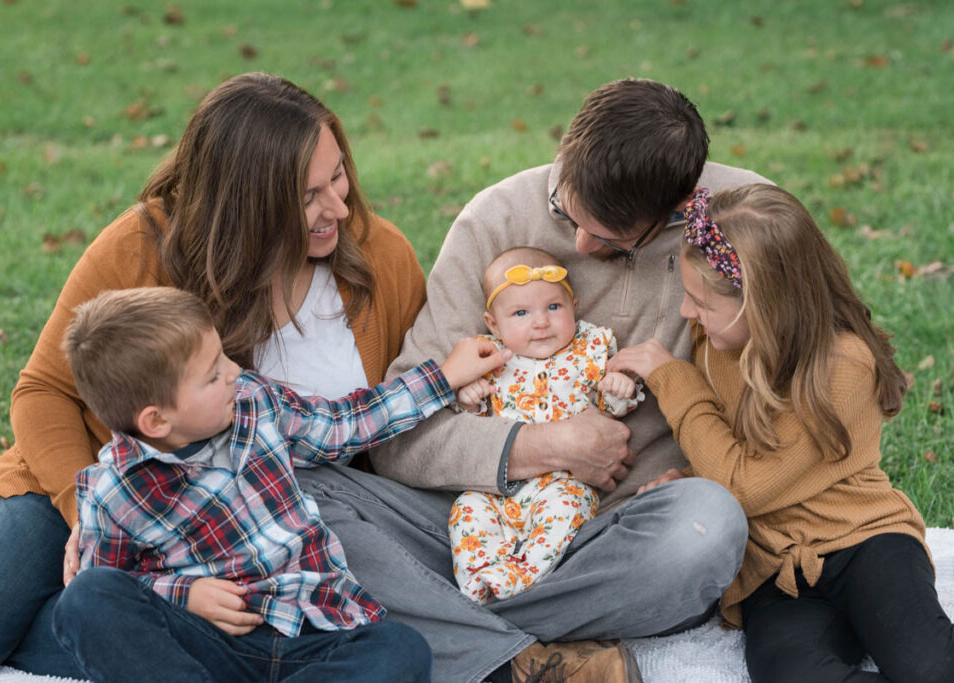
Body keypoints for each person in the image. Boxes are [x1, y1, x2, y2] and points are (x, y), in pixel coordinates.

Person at [0, 72, 427, 681]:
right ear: (247, 203)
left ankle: (151, 635)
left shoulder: (380, 258)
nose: (338, 206)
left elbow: (374, 417)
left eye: (337, 176)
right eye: (307, 196)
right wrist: (84, 515)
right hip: (101, 490)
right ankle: (106, 617)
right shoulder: (143, 245)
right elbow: (44, 390)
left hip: (248, 530)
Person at [293, 78, 768, 682]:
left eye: (609, 237)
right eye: (567, 212)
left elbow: (789, 413)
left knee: (710, 526)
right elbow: (398, 436)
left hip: (614, 540)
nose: (576, 244)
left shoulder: (747, 227)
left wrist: (701, 472)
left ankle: (448, 628)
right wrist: (535, 447)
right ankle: (524, 659)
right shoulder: (492, 221)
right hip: (466, 528)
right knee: (300, 489)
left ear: (678, 209)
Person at [53, 286, 508, 682]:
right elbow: (118, 589)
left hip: (315, 638)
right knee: (85, 601)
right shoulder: (113, 491)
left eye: (224, 359)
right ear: (156, 420)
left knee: (399, 650)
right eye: (213, 375)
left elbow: (342, 424)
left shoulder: (255, 402)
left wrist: (443, 378)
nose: (233, 372)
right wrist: (181, 594)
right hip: (213, 650)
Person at [612, 184, 954, 683]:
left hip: (865, 543)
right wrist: (690, 479)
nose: (687, 314)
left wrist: (675, 381)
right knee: (792, 674)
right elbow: (749, 447)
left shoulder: (844, 368)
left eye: (700, 302)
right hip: (775, 570)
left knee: (932, 667)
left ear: (764, 304)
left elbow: (746, 485)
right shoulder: (716, 340)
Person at [450, 247, 642, 605]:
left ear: (574, 306)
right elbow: (473, 427)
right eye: (521, 313)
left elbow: (607, 414)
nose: (540, 322)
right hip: (496, 486)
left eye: (554, 308)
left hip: (563, 482)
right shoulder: (487, 358)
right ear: (493, 324)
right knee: (466, 510)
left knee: (566, 513)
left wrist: (619, 390)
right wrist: (469, 399)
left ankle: (516, 578)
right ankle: (477, 586)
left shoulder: (589, 349)